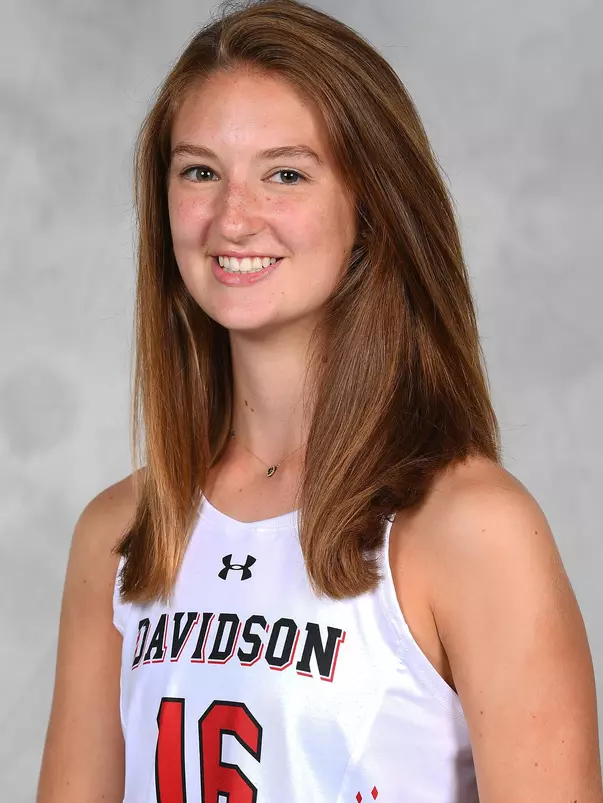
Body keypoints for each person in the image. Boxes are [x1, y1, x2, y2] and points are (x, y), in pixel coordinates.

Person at [37, 1, 602, 801]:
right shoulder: (122, 534)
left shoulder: (472, 528)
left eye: (285, 174)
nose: (233, 219)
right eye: (200, 171)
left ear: (369, 210)